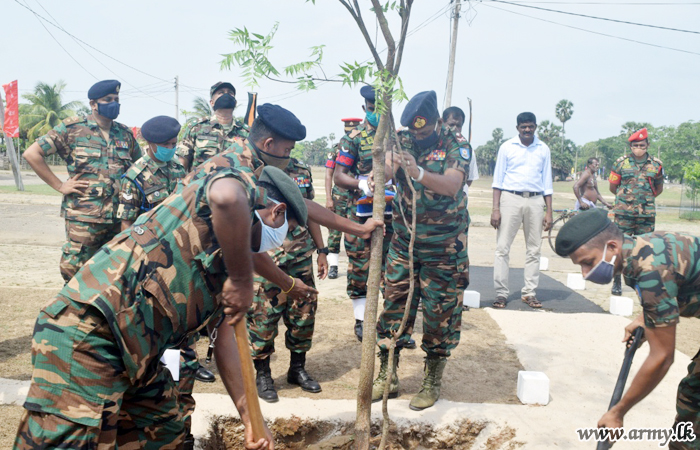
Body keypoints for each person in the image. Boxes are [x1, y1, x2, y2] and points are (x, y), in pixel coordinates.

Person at [13, 163, 304, 450]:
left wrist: (251, 418)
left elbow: (226, 340)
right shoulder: (205, 219)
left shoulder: (234, 259)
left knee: (163, 435)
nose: (279, 243)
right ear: (275, 211)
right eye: (285, 230)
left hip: (141, 355)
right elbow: (227, 197)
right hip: (89, 337)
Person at [554, 208, 699, 448]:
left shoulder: (650, 269)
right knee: (693, 396)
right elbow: (678, 286)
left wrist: (618, 412)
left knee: (694, 400)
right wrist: (646, 318)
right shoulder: (640, 249)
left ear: (611, 247)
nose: (585, 273)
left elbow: (662, 357)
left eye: (588, 262)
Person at [372, 90, 471, 411]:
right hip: (405, 242)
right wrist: (381, 173)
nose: (419, 135)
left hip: (445, 246)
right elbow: (385, 169)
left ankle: (432, 380)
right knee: (394, 306)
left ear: (438, 122)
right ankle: (388, 373)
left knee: (440, 313)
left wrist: (417, 172)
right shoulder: (402, 139)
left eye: (425, 130)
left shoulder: (457, 144)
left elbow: (452, 185)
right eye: (415, 131)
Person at [23, 80, 141, 283]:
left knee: (115, 273)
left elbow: (139, 167)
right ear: (93, 104)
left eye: (116, 99)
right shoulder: (72, 129)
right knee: (75, 273)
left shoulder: (124, 133)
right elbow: (32, 154)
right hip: (84, 216)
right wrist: (59, 185)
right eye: (108, 100)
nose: (114, 103)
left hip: (118, 218)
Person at [248, 156, 329, 403]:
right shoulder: (253, 171)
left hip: (300, 258)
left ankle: (297, 369)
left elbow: (309, 213)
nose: (288, 150)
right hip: (266, 260)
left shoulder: (302, 169)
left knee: (303, 316)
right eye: (286, 145)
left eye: (291, 147)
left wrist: (322, 250)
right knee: (262, 320)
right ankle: (263, 375)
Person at [334, 86, 395, 342]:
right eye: (371, 109)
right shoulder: (354, 138)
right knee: (360, 266)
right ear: (364, 109)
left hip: (391, 214)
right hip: (358, 214)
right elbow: (338, 176)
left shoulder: (396, 139)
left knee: (393, 268)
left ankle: (391, 322)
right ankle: (360, 321)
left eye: (379, 109)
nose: (374, 113)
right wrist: (361, 184)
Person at [490, 112, 553, 309]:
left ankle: (530, 293)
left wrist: (549, 211)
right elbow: (498, 181)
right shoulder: (507, 147)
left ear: (535, 127)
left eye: (530, 126)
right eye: (523, 127)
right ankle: (501, 294)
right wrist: (495, 209)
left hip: (535, 200)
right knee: (502, 248)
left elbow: (547, 182)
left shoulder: (543, 149)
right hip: (510, 198)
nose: (527, 130)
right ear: (517, 128)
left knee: (534, 249)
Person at [608, 128, 664, 296]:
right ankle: (617, 281)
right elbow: (613, 187)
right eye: (635, 145)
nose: (639, 147)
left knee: (645, 250)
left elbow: (659, 188)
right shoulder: (620, 163)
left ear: (648, 145)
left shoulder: (656, 164)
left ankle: (643, 283)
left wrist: (645, 200)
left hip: (646, 216)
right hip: (624, 214)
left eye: (642, 144)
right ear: (630, 146)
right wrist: (626, 200)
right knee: (620, 248)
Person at [117, 115, 186, 229]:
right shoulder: (135, 177)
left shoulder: (178, 168)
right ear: (150, 143)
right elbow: (127, 222)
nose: (170, 148)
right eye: (165, 144)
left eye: (173, 144)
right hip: (149, 240)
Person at [176, 81, 248, 172]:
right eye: (221, 92)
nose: (226, 95)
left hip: (234, 184)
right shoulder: (196, 128)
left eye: (230, 93)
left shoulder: (246, 132)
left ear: (235, 102)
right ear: (212, 102)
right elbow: (182, 163)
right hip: (201, 184)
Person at [325, 118, 362, 279]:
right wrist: (328, 198)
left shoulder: (361, 149)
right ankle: (333, 266)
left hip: (355, 196)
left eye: (353, 130)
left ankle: (354, 268)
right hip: (339, 196)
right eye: (348, 130)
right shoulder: (336, 150)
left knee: (355, 232)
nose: (350, 133)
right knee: (334, 232)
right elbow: (328, 175)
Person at [443, 106, 479, 196]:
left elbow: (469, 180)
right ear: (442, 123)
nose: (455, 129)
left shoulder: (467, 151)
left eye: (458, 126)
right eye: (451, 125)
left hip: (457, 205)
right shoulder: (434, 146)